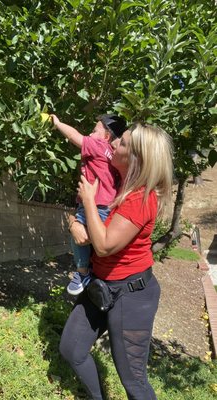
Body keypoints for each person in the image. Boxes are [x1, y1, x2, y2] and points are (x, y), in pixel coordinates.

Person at [59, 122, 174, 400]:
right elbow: (85, 221)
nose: (112, 145)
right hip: (101, 284)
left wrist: (87, 199)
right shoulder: (114, 181)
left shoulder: (140, 197)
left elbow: (104, 244)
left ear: (137, 157)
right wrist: (75, 221)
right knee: (72, 350)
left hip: (131, 295)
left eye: (121, 143)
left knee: (133, 381)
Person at [51, 113, 127, 295]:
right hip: (106, 205)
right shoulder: (112, 154)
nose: (90, 134)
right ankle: (92, 272)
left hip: (93, 202)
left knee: (78, 238)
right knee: (92, 240)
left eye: (94, 130)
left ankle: (82, 272)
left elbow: (73, 136)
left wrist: (58, 123)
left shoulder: (98, 145)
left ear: (106, 136)